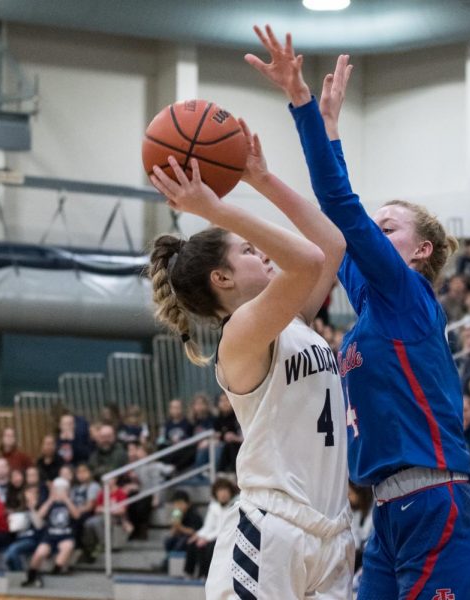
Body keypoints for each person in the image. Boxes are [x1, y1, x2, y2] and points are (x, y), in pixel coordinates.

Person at [248, 33, 470, 597]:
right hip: (386, 511)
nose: (373, 235)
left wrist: (302, 104)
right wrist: (328, 133)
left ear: (422, 249)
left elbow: (341, 208)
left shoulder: (408, 296)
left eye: (388, 228)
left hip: (440, 506)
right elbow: (334, 232)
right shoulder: (370, 307)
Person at [147, 95, 354, 596]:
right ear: (221, 277)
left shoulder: (294, 321)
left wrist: (261, 180)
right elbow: (305, 259)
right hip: (272, 530)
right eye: (246, 249)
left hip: (331, 532)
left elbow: (331, 246)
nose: (260, 250)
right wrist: (216, 210)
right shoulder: (240, 333)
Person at [22, 478, 79, 587]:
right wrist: (51, 499)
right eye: (57, 489)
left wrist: (66, 499)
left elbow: (76, 515)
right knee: (39, 553)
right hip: (50, 536)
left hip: (65, 535)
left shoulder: (70, 502)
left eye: (62, 490)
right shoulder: (49, 503)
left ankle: (56, 571)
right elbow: (40, 515)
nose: (60, 492)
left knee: (67, 546)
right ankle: (31, 576)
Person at [184, 479, 239, 580]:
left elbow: (224, 529)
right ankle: (189, 573)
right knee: (192, 542)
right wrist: (198, 535)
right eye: (220, 491)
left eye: (225, 491)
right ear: (216, 493)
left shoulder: (235, 506)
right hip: (213, 536)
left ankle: (206, 575)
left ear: (230, 492)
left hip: (227, 538)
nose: (223, 494)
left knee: (210, 546)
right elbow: (208, 527)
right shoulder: (213, 507)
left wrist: (206, 539)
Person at [161, 490, 204, 573]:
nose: (178, 506)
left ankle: (169, 564)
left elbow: (193, 532)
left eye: (180, 503)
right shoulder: (178, 514)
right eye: (176, 504)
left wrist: (180, 527)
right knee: (168, 541)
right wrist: (175, 526)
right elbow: (173, 533)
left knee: (181, 542)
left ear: (188, 504)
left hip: (193, 539)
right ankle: (168, 561)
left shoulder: (194, 515)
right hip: (180, 536)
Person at [4, 485, 44, 572]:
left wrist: (32, 509)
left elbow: (39, 525)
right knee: (7, 555)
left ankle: (20, 575)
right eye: (28, 493)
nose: (30, 495)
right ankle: (17, 573)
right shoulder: (20, 509)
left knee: (12, 550)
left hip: (32, 540)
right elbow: (13, 529)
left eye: (33, 493)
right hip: (19, 539)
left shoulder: (40, 508)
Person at [159, 398, 196, 471]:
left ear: (182, 409)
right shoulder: (167, 424)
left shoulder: (188, 423)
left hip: (183, 449)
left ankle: (175, 468)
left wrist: (181, 440)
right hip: (171, 449)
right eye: (173, 408)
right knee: (161, 448)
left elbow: (191, 438)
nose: (175, 410)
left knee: (191, 450)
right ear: (170, 410)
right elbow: (163, 439)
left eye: (177, 407)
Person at [213, 393, 242, 474]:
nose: (225, 403)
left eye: (227, 400)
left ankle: (232, 472)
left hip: (239, 445)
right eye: (222, 400)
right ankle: (218, 472)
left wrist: (235, 438)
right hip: (223, 447)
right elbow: (217, 435)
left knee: (231, 444)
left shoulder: (238, 416)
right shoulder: (217, 419)